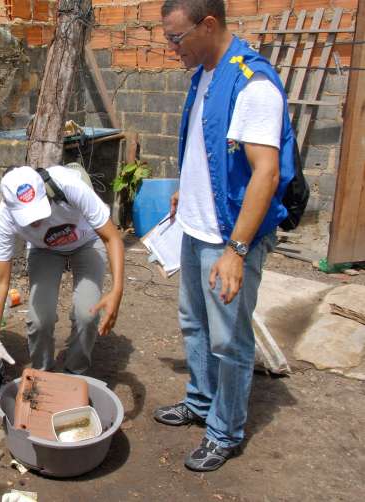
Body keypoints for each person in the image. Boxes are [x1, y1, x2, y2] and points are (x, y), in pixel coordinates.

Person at [154, 0, 296, 471]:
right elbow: (206, 145)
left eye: (176, 38)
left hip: (226, 238)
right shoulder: (205, 74)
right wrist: (183, 188)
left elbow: (266, 174)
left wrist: (236, 250)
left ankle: (225, 430)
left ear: (208, 24)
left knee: (228, 340)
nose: (171, 48)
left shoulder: (252, 85)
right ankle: (200, 402)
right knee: (194, 325)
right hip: (195, 228)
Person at [0, 165, 125, 385]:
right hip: (45, 249)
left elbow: (112, 237)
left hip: (87, 241)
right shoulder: (4, 217)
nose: (36, 223)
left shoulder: (68, 186)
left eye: (38, 212)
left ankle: (75, 374)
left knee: (87, 314)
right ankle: (43, 375)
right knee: (39, 320)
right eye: (27, 218)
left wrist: (117, 290)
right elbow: (0, 280)